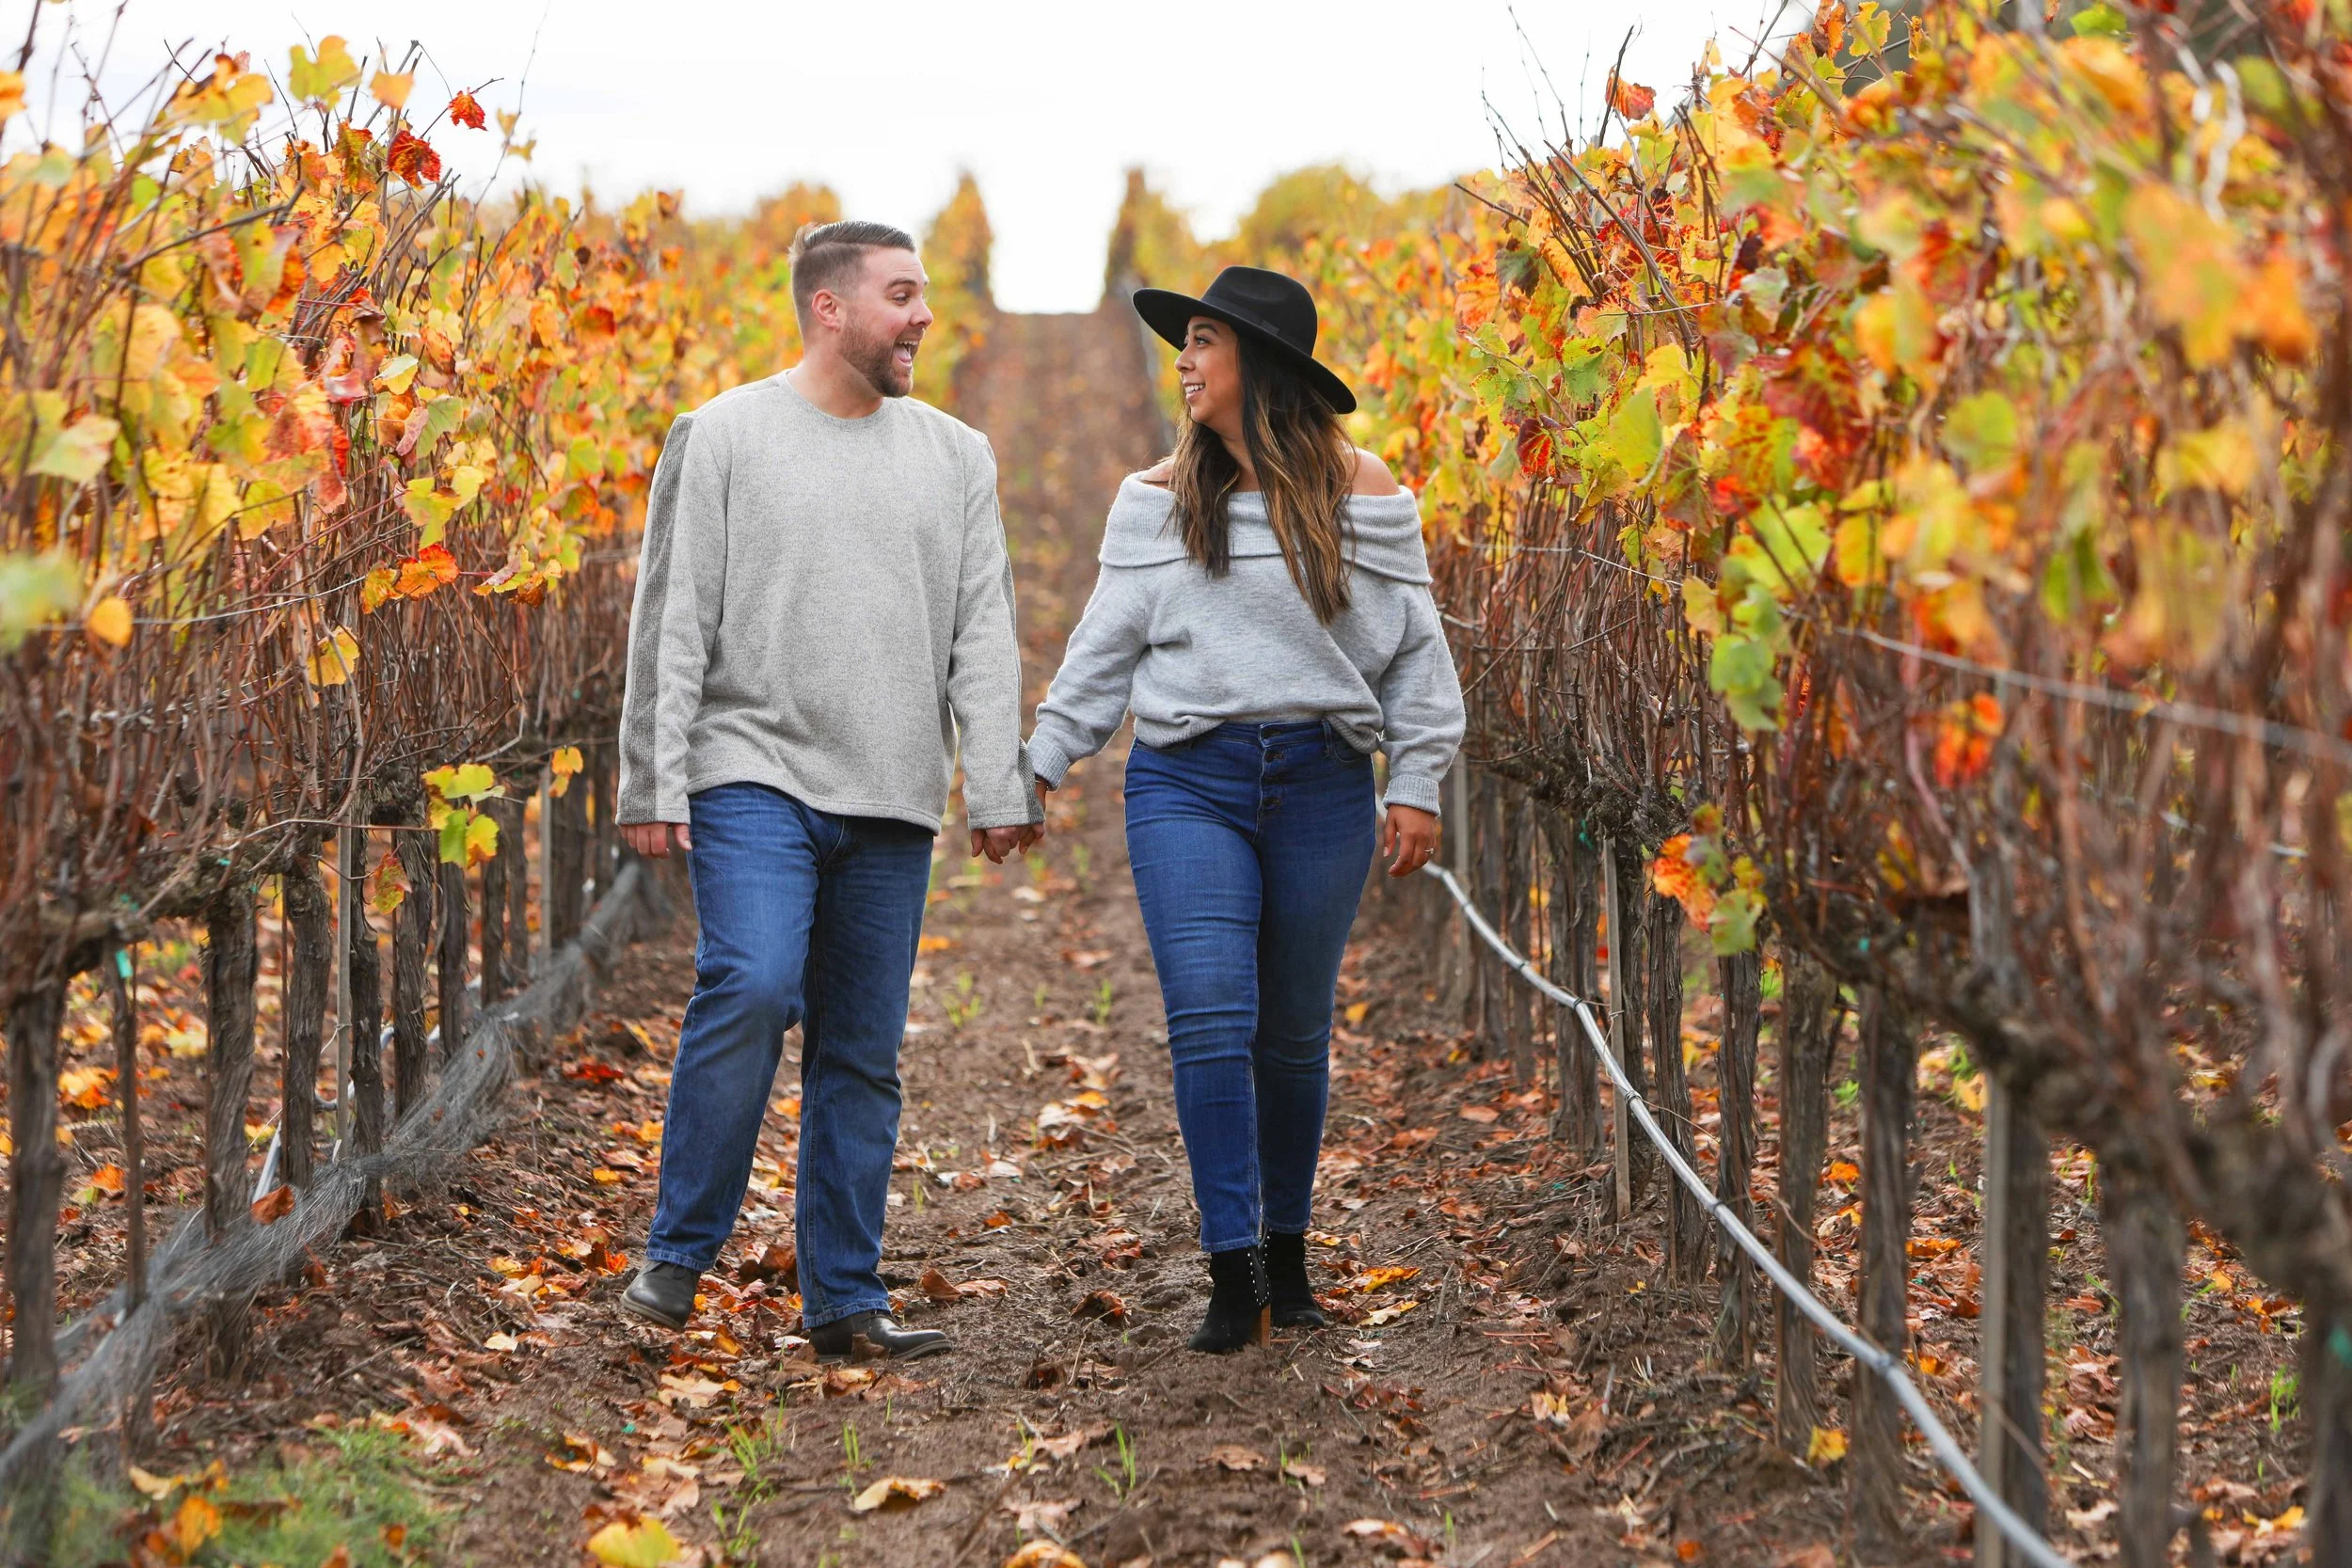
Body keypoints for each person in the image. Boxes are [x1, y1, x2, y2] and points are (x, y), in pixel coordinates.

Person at [614, 219, 1041, 1361]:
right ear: (830, 308)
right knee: (750, 983)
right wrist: (652, 777)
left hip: (892, 793)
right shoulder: (723, 436)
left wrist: (997, 779)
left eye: (925, 296)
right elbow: (672, 620)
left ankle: (845, 1299)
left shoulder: (956, 455)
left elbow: (983, 635)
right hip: (751, 768)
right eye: (901, 295)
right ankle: (678, 1250)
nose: (923, 317)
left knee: (861, 1048)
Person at [1025, 266, 1465, 1353]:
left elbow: (1418, 658)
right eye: (1185, 342)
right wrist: (1033, 764)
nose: (1185, 360)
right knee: (1212, 1014)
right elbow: (1101, 652)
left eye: (1205, 342)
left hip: (1321, 784)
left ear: (1257, 368)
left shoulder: (1367, 497)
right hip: (1187, 779)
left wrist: (1415, 782)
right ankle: (1232, 1267)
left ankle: (1288, 1253)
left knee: (1293, 1036)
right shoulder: (1158, 498)